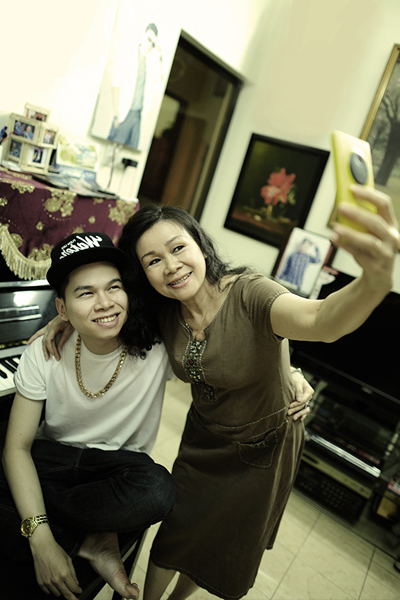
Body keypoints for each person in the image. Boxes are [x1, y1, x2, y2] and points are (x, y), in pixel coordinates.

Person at [114, 184, 398, 600]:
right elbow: (105, 312)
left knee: (222, 538)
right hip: (203, 442)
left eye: (178, 248)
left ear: (200, 244)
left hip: (264, 449)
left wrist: (374, 282)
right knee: (178, 530)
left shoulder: (251, 293)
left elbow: (320, 319)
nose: (171, 266)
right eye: (154, 260)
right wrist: (62, 321)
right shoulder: (163, 311)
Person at [0, 232, 176, 600]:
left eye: (114, 287)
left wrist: (290, 373)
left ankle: (36, 517)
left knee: (158, 490)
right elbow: (18, 448)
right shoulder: (44, 352)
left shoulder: (158, 345)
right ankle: (83, 540)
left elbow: (220, 337)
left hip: (115, 471)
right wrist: (42, 540)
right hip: (56, 460)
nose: (105, 303)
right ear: (61, 309)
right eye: (86, 293)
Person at [107, 22, 163, 149]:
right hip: (124, 113)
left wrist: (160, 56)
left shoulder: (150, 63)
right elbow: (116, 83)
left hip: (138, 116)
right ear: (143, 35)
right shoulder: (129, 54)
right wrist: (116, 114)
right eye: (149, 39)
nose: (150, 45)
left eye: (153, 43)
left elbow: (159, 83)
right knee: (112, 148)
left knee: (131, 150)